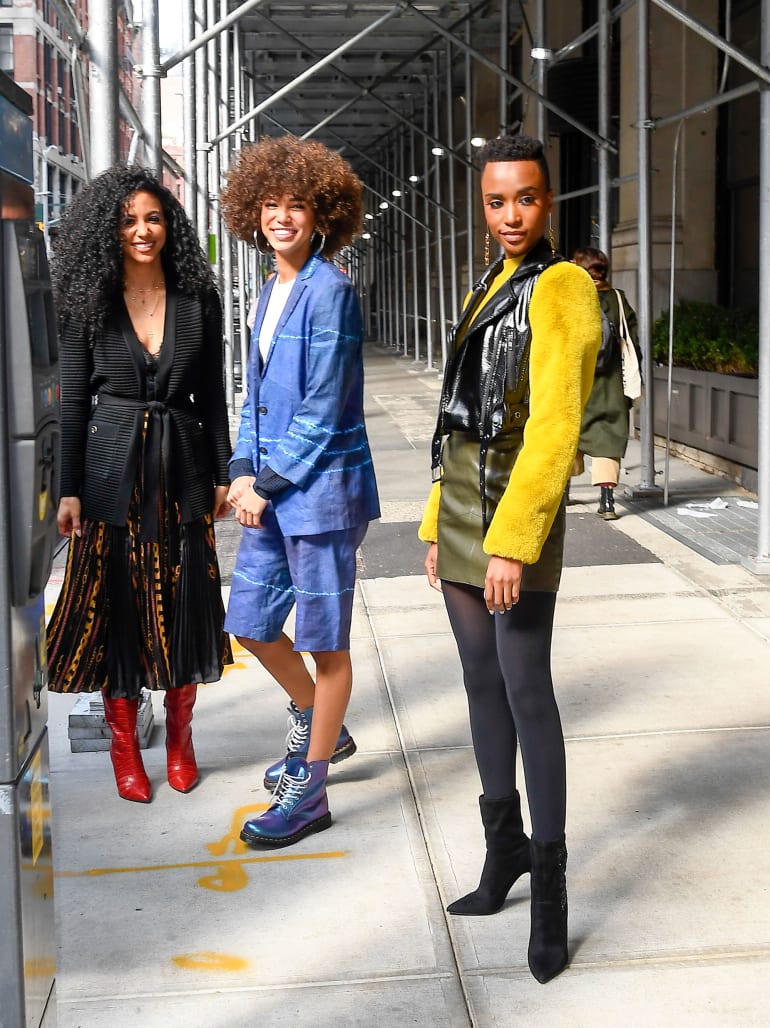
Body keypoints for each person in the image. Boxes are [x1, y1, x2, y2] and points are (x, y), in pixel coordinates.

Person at [419, 135, 601, 984]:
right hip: (461, 503)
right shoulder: (488, 282)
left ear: (549, 199)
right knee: (480, 681)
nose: (510, 217)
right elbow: (456, 420)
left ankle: (551, 888)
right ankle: (505, 855)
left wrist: (513, 543)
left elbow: (556, 427)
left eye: (524, 199)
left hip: (512, 516)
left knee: (527, 686)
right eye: (496, 202)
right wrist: (433, 524)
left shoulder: (566, 288)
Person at [46, 165, 233, 804]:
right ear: (109, 229)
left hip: (182, 469)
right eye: (128, 220)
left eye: (152, 218)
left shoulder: (194, 299)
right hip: (108, 473)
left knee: (185, 606)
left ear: (168, 225)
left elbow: (210, 394)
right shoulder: (89, 300)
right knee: (119, 615)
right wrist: (68, 489)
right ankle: (125, 750)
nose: (141, 230)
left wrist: (222, 471)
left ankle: (180, 738)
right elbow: (73, 403)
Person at [220, 136, 380, 849]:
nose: (282, 216)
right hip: (272, 489)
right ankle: (323, 726)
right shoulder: (270, 291)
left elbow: (321, 405)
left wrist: (268, 484)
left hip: (319, 496)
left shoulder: (331, 291)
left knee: (326, 642)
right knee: (249, 621)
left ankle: (310, 791)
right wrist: (240, 469)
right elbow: (255, 399)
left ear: (324, 217)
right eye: (271, 203)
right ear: (252, 212)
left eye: (298, 205)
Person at [571, 246, 640, 520]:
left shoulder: (571, 299)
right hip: (611, 385)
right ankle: (607, 501)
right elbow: (633, 341)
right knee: (608, 440)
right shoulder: (619, 300)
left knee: (569, 435)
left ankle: (563, 491)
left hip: (577, 382)